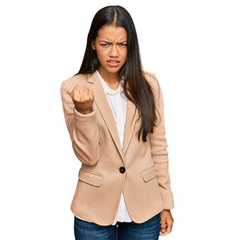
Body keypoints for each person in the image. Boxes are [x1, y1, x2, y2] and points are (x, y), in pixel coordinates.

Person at [60, 5, 174, 240]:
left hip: (145, 208)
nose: (114, 53)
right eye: (105, 44)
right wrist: (84, 111)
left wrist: (166, 203)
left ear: (131, 45)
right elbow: (88, 156)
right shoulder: (73, 88)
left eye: (121, 44)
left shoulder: (149, 85)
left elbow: (158, 148)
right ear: (93, 44)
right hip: (94, 210)